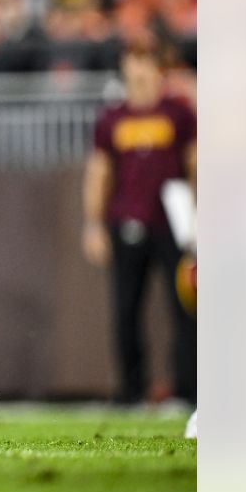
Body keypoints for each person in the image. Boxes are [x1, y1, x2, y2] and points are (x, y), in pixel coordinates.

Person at [82, 46, 196, 404]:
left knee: (186, 307)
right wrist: (93, 224)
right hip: (127, 220)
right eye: (133, 61)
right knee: (126, 309)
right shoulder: (112, 117)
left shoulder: (178, 113)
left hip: (174, 225)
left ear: (159, 69)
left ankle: (187, 389)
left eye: (146, 61)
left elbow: (195, 163)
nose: (139, 70)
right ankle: (132, 391)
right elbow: (99, 171)